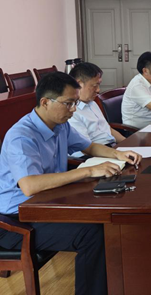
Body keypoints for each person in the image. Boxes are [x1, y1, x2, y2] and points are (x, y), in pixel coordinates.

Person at [0, 72, 142, 295]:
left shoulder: (60, 125)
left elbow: (89, 146)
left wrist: (118, 154)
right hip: (15, 220)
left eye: (75, 102)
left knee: (106, 219)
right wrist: (88, 171)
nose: (73, 109)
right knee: (92, 233)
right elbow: (30, 186)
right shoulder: (22, 136)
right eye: (68, 103)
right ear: (45, 102)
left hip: (44, 204)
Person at [69, 62, 126, 145]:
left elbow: (108, 130)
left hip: (112, 146)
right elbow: (86, 147)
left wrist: (129, 144)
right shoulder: (72, 113)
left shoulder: (93, 103)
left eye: (99, 85)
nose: (98, 90)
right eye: (95, 85)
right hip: (98, 151)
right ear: (78, 84)